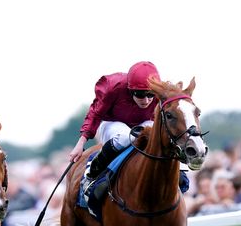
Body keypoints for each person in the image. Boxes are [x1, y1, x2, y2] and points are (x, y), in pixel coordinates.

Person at [68, 61, 189, 193]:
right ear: (130, 89)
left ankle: (180, 171)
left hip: (144, 123)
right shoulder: (113, 86)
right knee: (126, 137)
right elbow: (95, 114)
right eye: (140, 95)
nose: (147, 100)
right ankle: (92, 173)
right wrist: (81, 143)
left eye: (150, 95)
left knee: (157, 135)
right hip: (112, 123)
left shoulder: (161, 92)